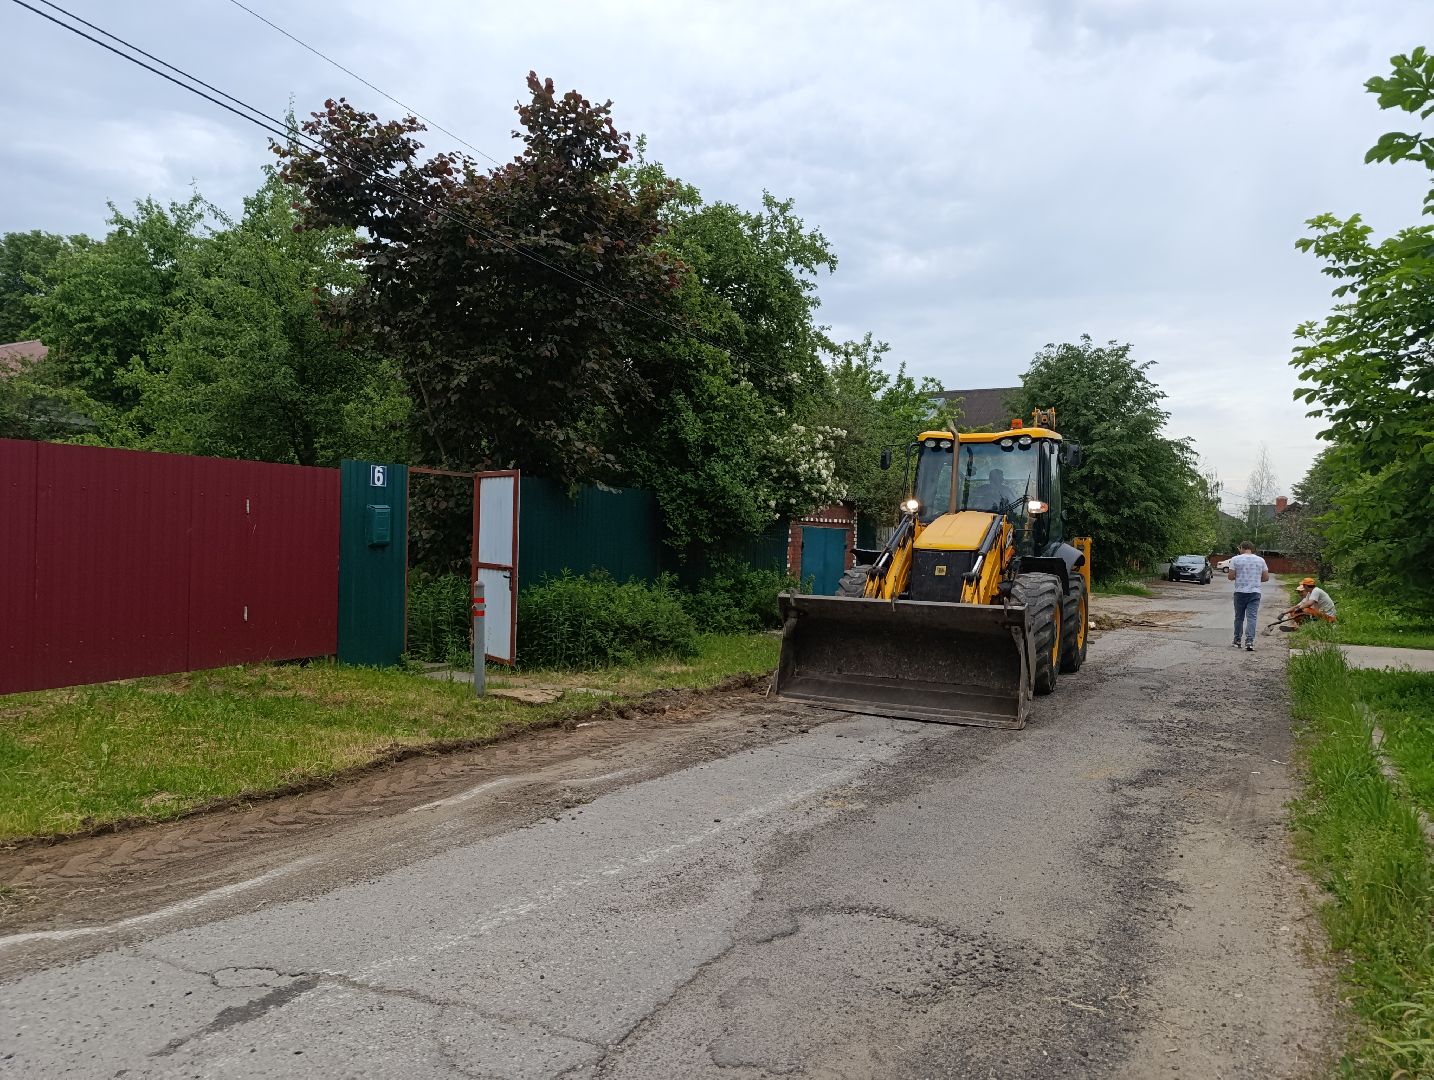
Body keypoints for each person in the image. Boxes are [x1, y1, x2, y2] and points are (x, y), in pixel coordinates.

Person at [1227, 540, 1269, 651]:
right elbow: (1266, 577)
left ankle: (1237, 640)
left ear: (1242, 548)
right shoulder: (1261, 560)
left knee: (1239, 617)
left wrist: (1239, 577)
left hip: (1240, 592)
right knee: (1252, 617)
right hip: (1255, 592)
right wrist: (1255, 579)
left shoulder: (1235, 559)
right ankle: (1249, 641)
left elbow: (1230, 577)